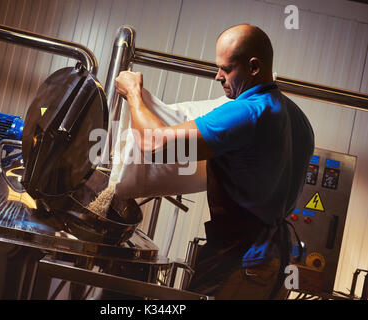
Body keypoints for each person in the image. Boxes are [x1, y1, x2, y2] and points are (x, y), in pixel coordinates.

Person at [115, 24, 314, 299]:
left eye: (226, 68)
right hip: (274, 260)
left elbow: (155, 144)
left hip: (241, 261)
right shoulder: (297, 117)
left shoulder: (248, 112)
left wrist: (133, 94)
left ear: (254, 67)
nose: (218, 76)